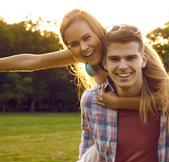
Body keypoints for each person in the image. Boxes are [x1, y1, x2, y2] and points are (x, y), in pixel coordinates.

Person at [47, 24, 169, 162]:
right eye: (115, 59)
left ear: (143, 60)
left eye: (130, 58)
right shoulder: (93, 100)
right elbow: (89, 135)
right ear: (105, 62)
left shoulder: (167, 100)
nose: (123, 66)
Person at [0, 9, 139, 109]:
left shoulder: (124, 45)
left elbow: (160, 99)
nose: (83, 47)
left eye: (87, 37)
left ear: (98, 31)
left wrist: (118, 103)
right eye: (74, 44)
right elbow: (34, 61)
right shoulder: (82, 52)